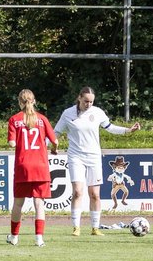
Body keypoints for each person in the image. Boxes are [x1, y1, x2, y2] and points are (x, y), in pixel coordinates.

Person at [54, 87, 140, 237]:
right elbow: (56, 132)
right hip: (75, 156)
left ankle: (95, 228)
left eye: (91, 102)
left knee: (95, 194)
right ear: (79, 98)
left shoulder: (98, 112)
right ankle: (76, 227)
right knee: (78, 192)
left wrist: (128, 130)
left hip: (93, 156)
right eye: (86, 101)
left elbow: (110, 127)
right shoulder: (67, 113)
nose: (89, 104)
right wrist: (49, 143)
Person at [6, 89, 58, 247]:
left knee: (18, 203)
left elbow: (12, 143)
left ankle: (14, 237)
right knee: (39, 203)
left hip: (23, 166)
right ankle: (39, 238)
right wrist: (54, 149)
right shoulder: (42, 119)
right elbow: (55, 141)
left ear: (19, 102)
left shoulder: (14, 119)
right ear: (34, 101)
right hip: (40, 166)